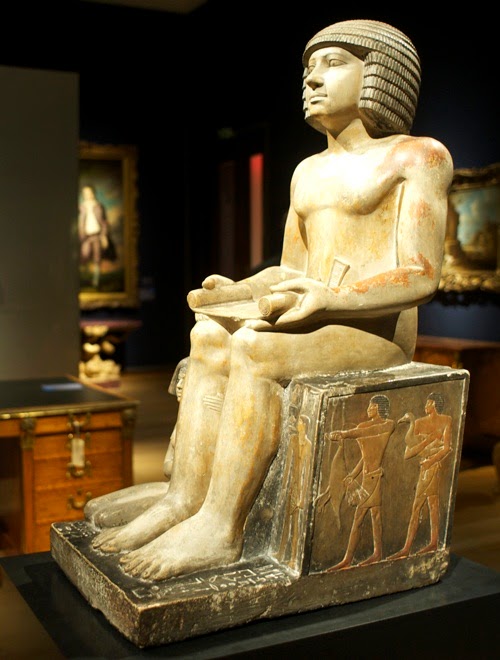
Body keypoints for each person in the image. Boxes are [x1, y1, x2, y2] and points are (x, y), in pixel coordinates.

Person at [88, 19, 453, 582]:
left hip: (377, 331)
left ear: (379, 72)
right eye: (308, 67)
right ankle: (185, 498)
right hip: (321, 313)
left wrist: (332, 297)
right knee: (208, 335)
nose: (312, 78)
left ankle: (221, 527)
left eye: (333, 62)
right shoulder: (307, 171)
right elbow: (291, 269)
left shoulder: (417, 157)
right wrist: (241, 290)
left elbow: (421, 275)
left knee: (255, 349)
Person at [326, 395, 395, 570]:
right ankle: (377, 553)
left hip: (373, 478)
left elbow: (366, 432)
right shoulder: (364, 426)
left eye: (372, 406)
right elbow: (366, 457)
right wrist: (353, 474)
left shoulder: (388, 425)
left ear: (379, 408)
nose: (368, 409)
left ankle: (348, 559)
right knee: (375, 515)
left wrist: (344, 434)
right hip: (368, 477)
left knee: (359, 517)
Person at [390, 392, 452, 558]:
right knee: (430, 504)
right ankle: (425, 544)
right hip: (425, 467)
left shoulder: (446, 420)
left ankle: (414, 547)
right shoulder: (418, 423)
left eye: (428, 402)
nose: (425, 405)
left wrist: (431, 460)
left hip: (431, 468)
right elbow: (408, 453)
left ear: (434, 404)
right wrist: (427, 442)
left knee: (423, 505)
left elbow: (447, 447)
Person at [78, 183, 110, 289]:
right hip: (85, 237)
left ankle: (96, 281)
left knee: (97, 257)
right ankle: (83, 279)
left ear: (93, 193)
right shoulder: (81, 207)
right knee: (84, 255)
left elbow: (104, 222)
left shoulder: (99, 206)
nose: (88, 195)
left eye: (90, 193)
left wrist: (104, 236)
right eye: (85, 193)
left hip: (97, 235)